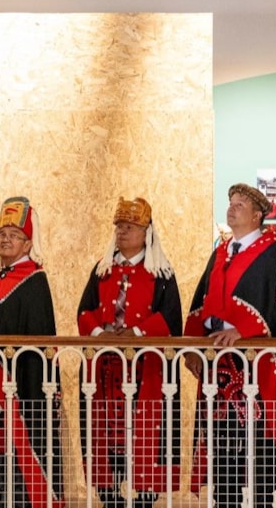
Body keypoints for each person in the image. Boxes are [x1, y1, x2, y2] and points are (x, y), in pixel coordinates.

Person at [183, 183, 276, 508]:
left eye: (241, 204)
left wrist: (243, 330)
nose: (232, 207)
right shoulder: (220, 252)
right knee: (223, 461)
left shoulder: (272, 254)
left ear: (257, 216)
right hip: (221, 373)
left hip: (259, 375)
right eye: (231, 202)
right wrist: (192, 343)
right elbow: (202, 302)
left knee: (260, 460)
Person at [76, 197, 181, 508]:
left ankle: (146, 496)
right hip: (106, 373)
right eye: (119, 226)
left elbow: (170, 317)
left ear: (146, 232)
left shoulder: (161, 273)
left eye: (130, 227)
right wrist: (100, 334)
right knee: (103, 436)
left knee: (147, 434)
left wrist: (136, 334)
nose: (122, 232)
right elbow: (85, 311)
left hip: (146, 370)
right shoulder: (102, 269)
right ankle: (109, 496)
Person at [0, 196, 64, 508]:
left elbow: (37, 344)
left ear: (28, 243)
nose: (5, 240)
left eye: (13, 235)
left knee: (16, 473)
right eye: (1, 234)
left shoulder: (34, 281)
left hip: (15, 392)